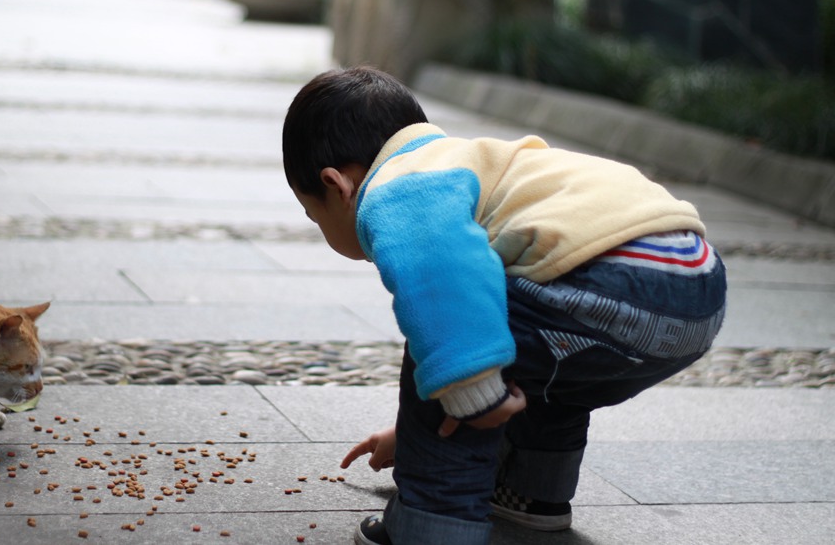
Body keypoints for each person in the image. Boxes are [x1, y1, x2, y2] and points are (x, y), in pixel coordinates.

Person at [281, 66, 727, 545]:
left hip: (612, 284)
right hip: (697, 290)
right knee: (533, 358)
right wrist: (410, 433)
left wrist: (466, 394)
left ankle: (432, 524)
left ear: (338, 186)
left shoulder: (398, 183)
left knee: (449, 347)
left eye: (314, 214)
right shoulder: (471, 162)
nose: (321, 225)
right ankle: (531, 492)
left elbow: (444, 277)